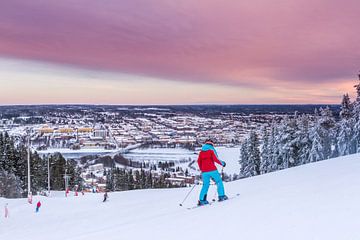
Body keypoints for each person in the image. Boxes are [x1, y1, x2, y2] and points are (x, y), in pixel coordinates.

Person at [197, 139, 228, 205]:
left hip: (204, 171)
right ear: (211, 144)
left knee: (205, 185)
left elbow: (199, 161)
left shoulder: (201, 152)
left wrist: (202, 169)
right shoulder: (211, 150)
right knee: (219, 181)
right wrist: (222, 163)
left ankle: (202, 200)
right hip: (212, 169)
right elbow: (216, 159)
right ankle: (221, 196)